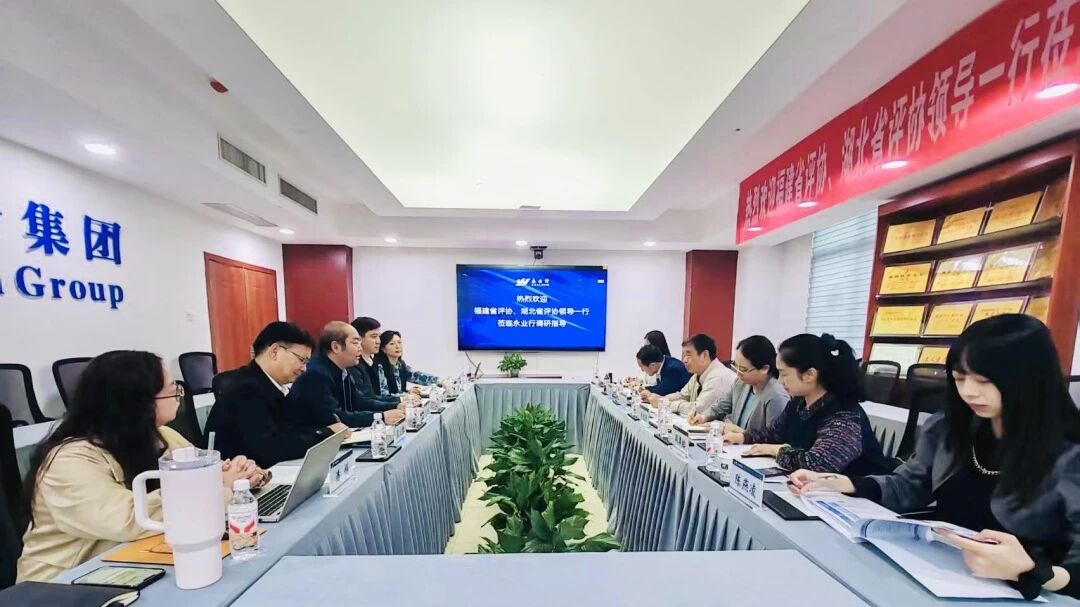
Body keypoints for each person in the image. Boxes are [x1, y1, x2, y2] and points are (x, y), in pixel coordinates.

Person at [790, 315, 1080, 599]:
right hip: (939, 577)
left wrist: (1032, 572)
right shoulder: (949, 429)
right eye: (960, 378)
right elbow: (909, 486)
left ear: (1029, 380)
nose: (969, 392)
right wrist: (845, 483)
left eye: (984, 381)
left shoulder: (1070, 454)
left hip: (1026, 594)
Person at [18, 351, 268, 582]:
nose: (179, 396)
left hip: (132, 565)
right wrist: (219, 486)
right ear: (138, 402)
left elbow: (212, 469)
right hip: (63, 585)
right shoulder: (68, 461)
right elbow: (129, 519)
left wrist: (243, 475)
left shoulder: (162, 436)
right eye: (172, 390)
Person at [724, 333, 890, 475]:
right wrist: (743, 437)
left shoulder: (844, 415)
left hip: (853, 497)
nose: (780, 381)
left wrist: (777, 450)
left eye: (784, 374)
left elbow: (818, 464)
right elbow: (774, 434)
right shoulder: (798, 403)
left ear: (810, 374)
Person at [205, 322, 346, 468]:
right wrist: (325, 434)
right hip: (239, 478)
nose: (304, 369)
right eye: (301, 360)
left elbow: (293, 428)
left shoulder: (269, 385)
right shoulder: (246, 390)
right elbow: (271, 449)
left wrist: (326, 430)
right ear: (274, 351)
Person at [289, 323, 405, 429]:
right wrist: (381, 417)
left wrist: (396, 405)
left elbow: (359, 401)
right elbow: (336, 417)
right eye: (355, 343)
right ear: (336, 347)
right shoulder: (316, 375)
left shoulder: (342, 370)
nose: (360, 348)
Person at [688, 335, 788, 433]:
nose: (738, 373)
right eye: (736, 366)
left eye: (743, 369)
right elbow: (721, 406)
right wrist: (704, 416)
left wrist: (740, 434)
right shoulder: (740, 383)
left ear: (764, 369)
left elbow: (773, 438)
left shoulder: (776, 396)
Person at [644, 334, 736, 417]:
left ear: (704, 355)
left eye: (689, 355)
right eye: (683, 355)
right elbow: (682, 395)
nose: (684, 360)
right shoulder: (697, 374)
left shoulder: (718, 377)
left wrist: (665, 404)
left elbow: (699, 410)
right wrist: (660, 399)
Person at [350, 317, 408, 414]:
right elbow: (363, 401)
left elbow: (373, 396)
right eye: (373, 336)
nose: (378, 341)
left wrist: (402, 399)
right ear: (359, 339)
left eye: (379, 337)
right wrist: (399, 401)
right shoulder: (353, 365)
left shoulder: (371, 362)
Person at [373, 330, 440, 397]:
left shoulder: (400, 365)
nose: (397, 346)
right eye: (392, 344)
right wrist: (407, 395)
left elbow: (417, 376)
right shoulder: (379, 367)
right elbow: (384, 396)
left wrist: (440, 381)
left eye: (399, 342)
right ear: (383, 349)